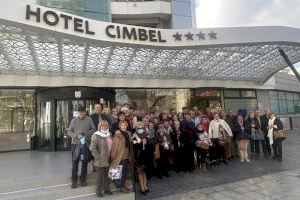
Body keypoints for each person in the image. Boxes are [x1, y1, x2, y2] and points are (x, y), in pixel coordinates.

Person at [67, 106, 96, 188]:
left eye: (83, 112)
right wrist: (76, 136)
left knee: (84, 162)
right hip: (75, 145)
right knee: (75, 163)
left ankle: (83, 180)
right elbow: (69, 132)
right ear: (78, 112)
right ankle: (74, 181)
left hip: (85, 144)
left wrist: (86, 135)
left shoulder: (89, 119)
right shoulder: (74, 120)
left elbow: (93, 129)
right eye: (80, 112)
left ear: (85, 112)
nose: (82, 113)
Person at [89, 120, 113, 197]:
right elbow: (92, 148)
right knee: (100, 177)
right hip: (100, 160)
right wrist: (98, 157)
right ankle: (98, 191)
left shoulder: (109, 134)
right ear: (99, 126)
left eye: (105, 125)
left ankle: (106, 189)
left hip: (108, 158)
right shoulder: (96, 135)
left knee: (107, 175)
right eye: (102, 125)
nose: (104, 127)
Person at [110, 121, 132, 193]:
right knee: (120, 171)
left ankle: (122, 185)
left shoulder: (128, 134)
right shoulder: (117, 134)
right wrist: (113, 157)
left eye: (125, 125)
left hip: (126, 155)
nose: (123, 126)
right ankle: (121, 186)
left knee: (123, 171)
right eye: (122, 125)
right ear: (119, 126)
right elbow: (114, 146)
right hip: (120, 155)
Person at [132, 122, 149, 195]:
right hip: (138, 154)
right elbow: (134, 144)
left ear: (143, 126)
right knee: (140, 171)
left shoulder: (145, 133)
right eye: (138, 125)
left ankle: (145, 186)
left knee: (144, 171)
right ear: (136, 126)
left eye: (141, 124)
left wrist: (146, 142)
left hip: (145, 154)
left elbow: (148, 144)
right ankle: (142, 187)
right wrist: (138, 142)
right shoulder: (134, 134)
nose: (139, 126)